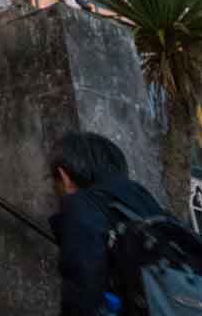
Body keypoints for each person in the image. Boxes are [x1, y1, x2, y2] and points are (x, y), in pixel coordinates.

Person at [48, 131, 165, 315]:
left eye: (53, 182)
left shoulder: (81, 206)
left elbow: (83, 293)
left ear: (64, 176)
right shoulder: (146, 202)